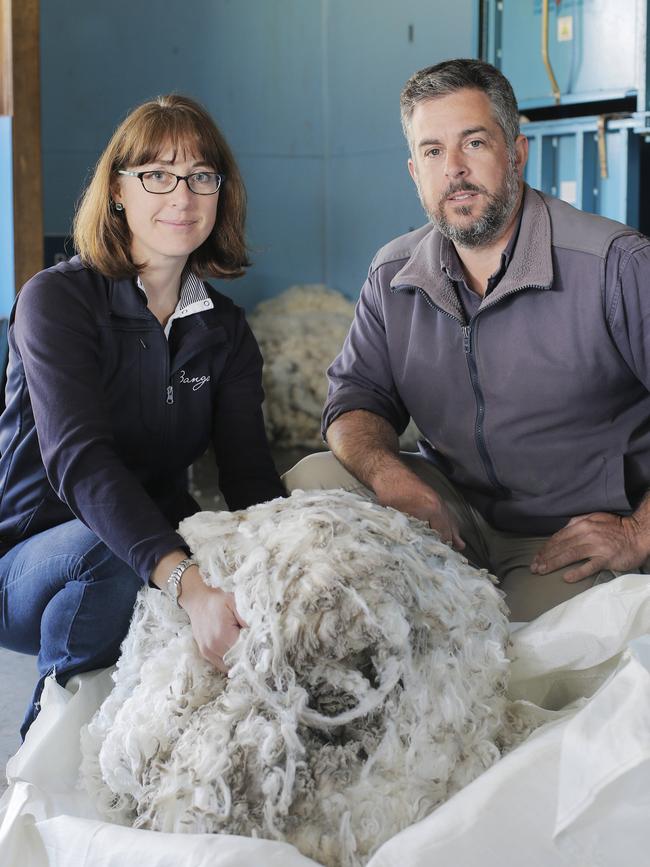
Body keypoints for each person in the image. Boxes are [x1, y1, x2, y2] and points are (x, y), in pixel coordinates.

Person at [283, 58, 650, 622]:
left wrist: (637, 532)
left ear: (517, 153)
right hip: (450, 519)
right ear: (414, 170)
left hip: (566, 537)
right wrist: (395, 481)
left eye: (473, 143)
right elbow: (354, 400)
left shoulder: (615, 265)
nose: (453, 169)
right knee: (311, 481)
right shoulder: (394, 273)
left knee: (521, 663)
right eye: (433, 152)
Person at [0, 94, 285, 737]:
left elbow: (250, 479)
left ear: (221, 195)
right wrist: (187, 582)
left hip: (149, 552)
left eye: (200, 177)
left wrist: (281, 570)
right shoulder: (56, 301)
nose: (181, 196)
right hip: (29, 561)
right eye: (157, 174)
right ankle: (48, 750)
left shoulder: (225, 331)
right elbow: (81, 463)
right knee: (111, 552)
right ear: (119, 191)